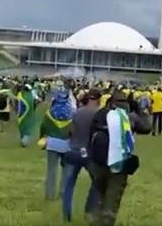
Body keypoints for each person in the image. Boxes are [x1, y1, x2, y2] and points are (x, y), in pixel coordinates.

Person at [88, 90, 151, 226]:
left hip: (98, 162)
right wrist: (138, 109)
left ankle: (94, 219)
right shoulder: (129, 117)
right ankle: (106, 222)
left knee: (99, 194)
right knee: (112, 200)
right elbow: (147, 127)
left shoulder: (100, 114)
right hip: (119, 164)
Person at [62, 89, 101, 223]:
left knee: (69, 184)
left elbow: (70, 132)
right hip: (89, 153)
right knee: (97, 182)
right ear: (97, 99)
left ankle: (66, 214)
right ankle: (90, 211)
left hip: (73, 150)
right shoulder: (98, 114)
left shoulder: (77, 112)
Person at [40, 89, 73, 200]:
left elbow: (43, 127)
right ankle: (63, 192)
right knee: (67, 170)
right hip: (67, 146)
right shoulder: (72, 113)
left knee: (51, 170)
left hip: (52, 144)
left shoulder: (50, 113)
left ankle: (49, 194)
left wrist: (42, 138)